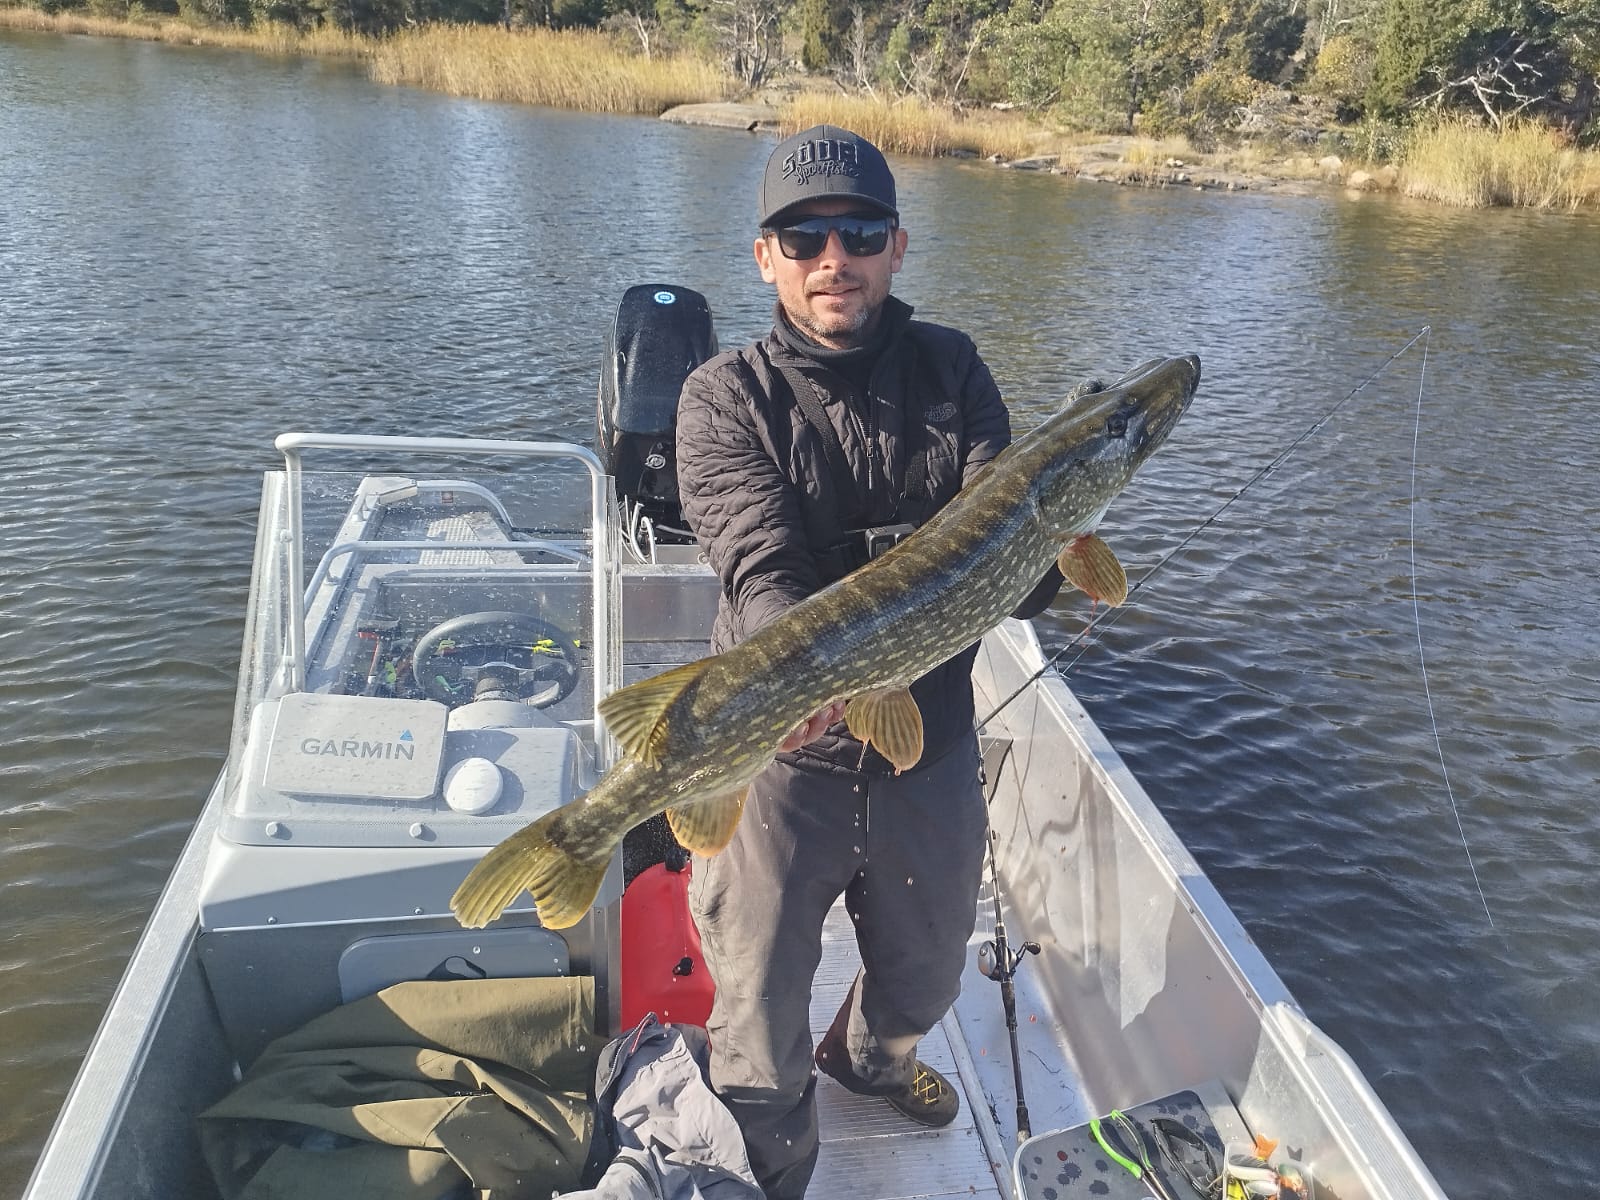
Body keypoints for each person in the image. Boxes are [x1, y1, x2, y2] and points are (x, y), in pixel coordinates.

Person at [673, 125, 1063, 1199]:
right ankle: (768, 1167)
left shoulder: (952, 368)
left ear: (897, 245)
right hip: (781, 758)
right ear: (766, 257)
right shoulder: (722, 396)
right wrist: (798, 685)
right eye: (804, 238)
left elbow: (1010, 557)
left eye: (858, 232)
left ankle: (869, 1061)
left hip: (924, 741)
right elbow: (760, 566)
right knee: (756, 1014)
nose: (832, 259)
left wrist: (1053, 546)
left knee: (927, 973)